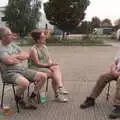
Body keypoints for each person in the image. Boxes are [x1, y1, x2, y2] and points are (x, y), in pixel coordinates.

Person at [0, 27, 47, 109]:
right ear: (3, 36)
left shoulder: (12, 45)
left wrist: (15, 56)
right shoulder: (1, 48)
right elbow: (8, 61)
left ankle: (32, 97)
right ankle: (18, 98)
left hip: (22, 69)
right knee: (25, 83)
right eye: (9, 34)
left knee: (43, 76)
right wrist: (18, 57)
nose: (12, 36)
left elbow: (26, 55)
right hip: (9, 73)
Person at [29, 29, 69, 102]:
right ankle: (57, 94)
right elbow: (37, 63)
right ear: (38, 40)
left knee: (56, 67)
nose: (45, 38)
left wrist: (51, 64)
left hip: (45, 66)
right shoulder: (33, 49)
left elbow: (49, 59)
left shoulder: (44, 47)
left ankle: (60, 86)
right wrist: (49, 65)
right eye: (43, 37)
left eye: (44, 36)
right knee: (53, 73)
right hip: (35, 68)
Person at [80, 52, 120, 119]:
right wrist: (113, 71)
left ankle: (118, 106)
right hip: (116, 71)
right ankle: (91, 99)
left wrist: (117, 73)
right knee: (103, 77)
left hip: (118, 73)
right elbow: (114, 63)